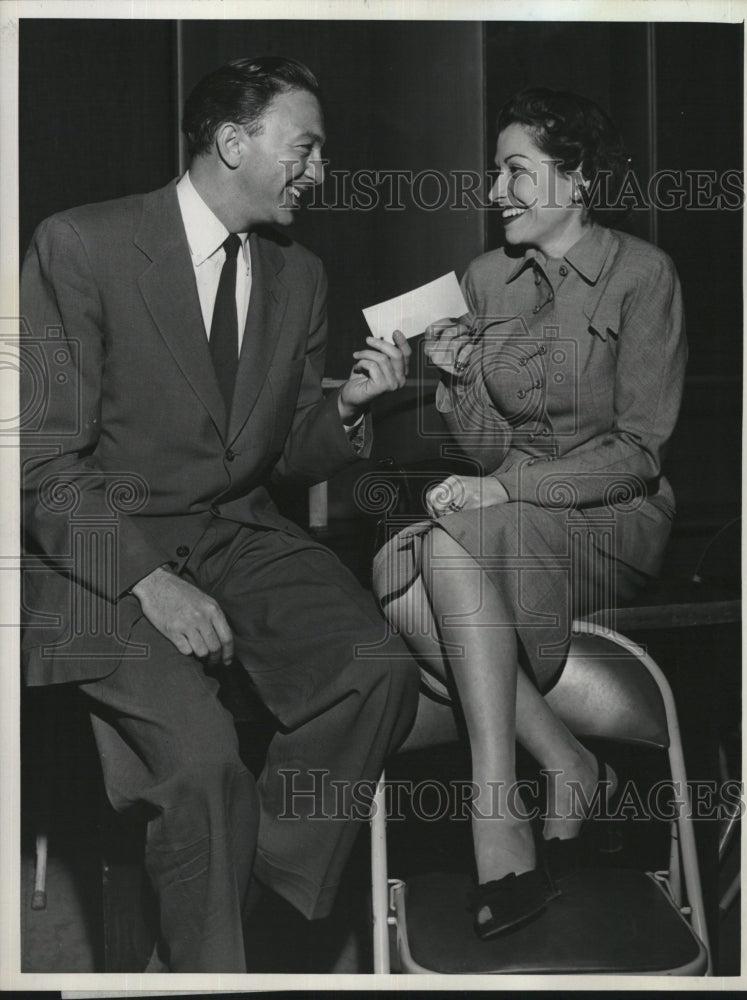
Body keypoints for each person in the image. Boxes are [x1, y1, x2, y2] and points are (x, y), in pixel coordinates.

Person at [20, 56, 419, 972]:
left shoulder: (302, 275)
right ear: (232, 143)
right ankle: (212, 968)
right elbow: (39, 462)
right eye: (305, 146)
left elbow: (275, 456)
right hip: (98, 554)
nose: (318, 170)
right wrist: (149, 583)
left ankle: (253, 903)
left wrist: (348, 412)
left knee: (376, 670)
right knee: (202, 767)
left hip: (237, 535)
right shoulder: (79, 245)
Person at [374, 87, 687, 939]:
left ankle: (494, 811)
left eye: (517, 170)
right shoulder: (482, 280)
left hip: (609, 520)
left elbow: (637, 453)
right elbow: (482, 451)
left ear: (577, 179)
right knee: (405, 566)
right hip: (499, 515)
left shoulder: (641, 276)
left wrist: (506, 490)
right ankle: (565, 758)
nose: (496, 190)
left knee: (439, 549)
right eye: (496, 170)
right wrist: (452, 380)